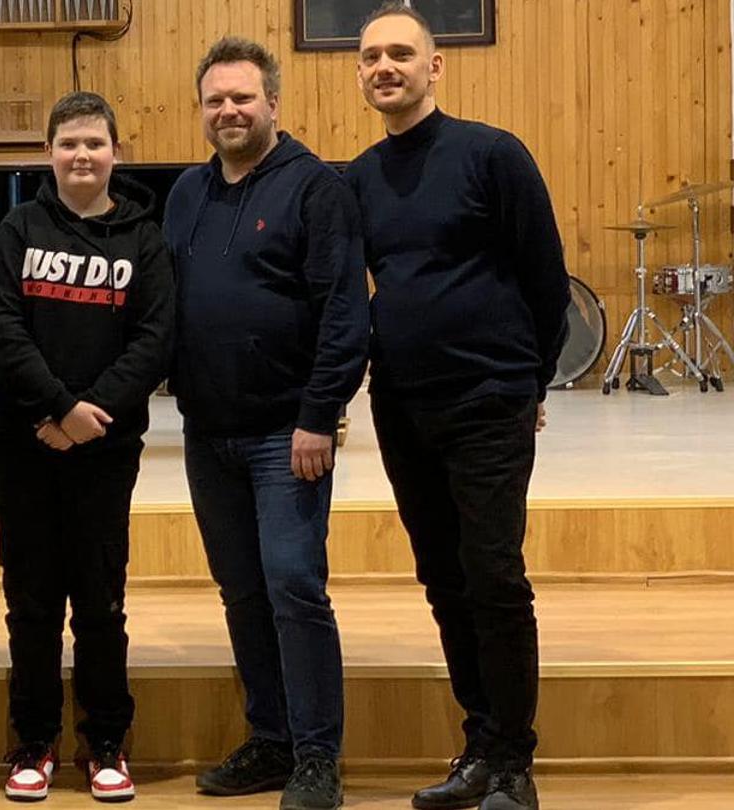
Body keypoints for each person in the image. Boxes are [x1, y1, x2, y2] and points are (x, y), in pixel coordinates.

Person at [347, 6, 568, 810]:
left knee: (494, 576)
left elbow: (547, 283)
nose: (385, 66)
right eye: (371, 56)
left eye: (401, 53)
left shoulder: (491, 154)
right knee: (443, 579)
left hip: (487, 401)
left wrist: (528, 385)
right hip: (403, 407)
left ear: (435, 66)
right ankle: (479, 747)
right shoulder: (362, 175)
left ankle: (514, 762)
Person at [163, 36, 369, 810]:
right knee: (242, 592)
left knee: (293, 587)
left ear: (273, 103)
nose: (229, 111)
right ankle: (272, 740)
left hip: (287, 434)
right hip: (205, 433)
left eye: (242, 98)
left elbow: (345, 313)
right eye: (215, 100)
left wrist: (319, 416)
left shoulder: (315, 188)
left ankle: (319, 757)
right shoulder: (188, 192)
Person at [0, 90, 174, 804]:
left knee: (101, 605)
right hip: (26, 446)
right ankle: (32, 740)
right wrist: (59, 407)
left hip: (105, 450)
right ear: (49, 153)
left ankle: (106, 742)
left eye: (95, 143)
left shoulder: (141, 237)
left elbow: (154, 338)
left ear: (115, 153)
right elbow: (2, 328)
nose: (82, 155)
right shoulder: (20, 229)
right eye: (69, 144)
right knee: (30, 605)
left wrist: (93, 415)